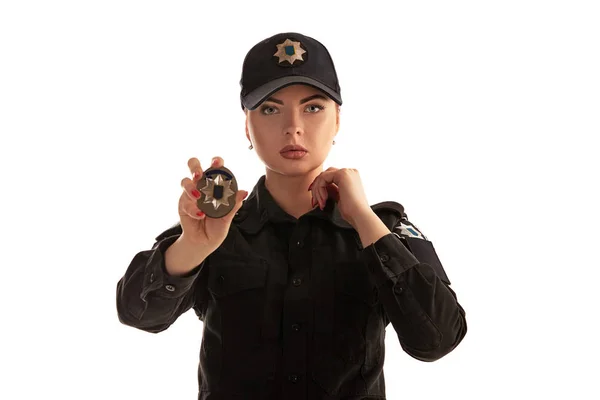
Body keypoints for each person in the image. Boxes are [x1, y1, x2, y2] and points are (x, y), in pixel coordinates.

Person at [116, 31, 467, 400]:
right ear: (247, 127)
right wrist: (192, 246)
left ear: (337, 121)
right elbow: (137, 313)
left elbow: (438, 340)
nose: (293, 126)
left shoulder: (383, 230)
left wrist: (364, 219)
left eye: (313, 107)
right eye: (269, 108)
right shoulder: (216, 228)